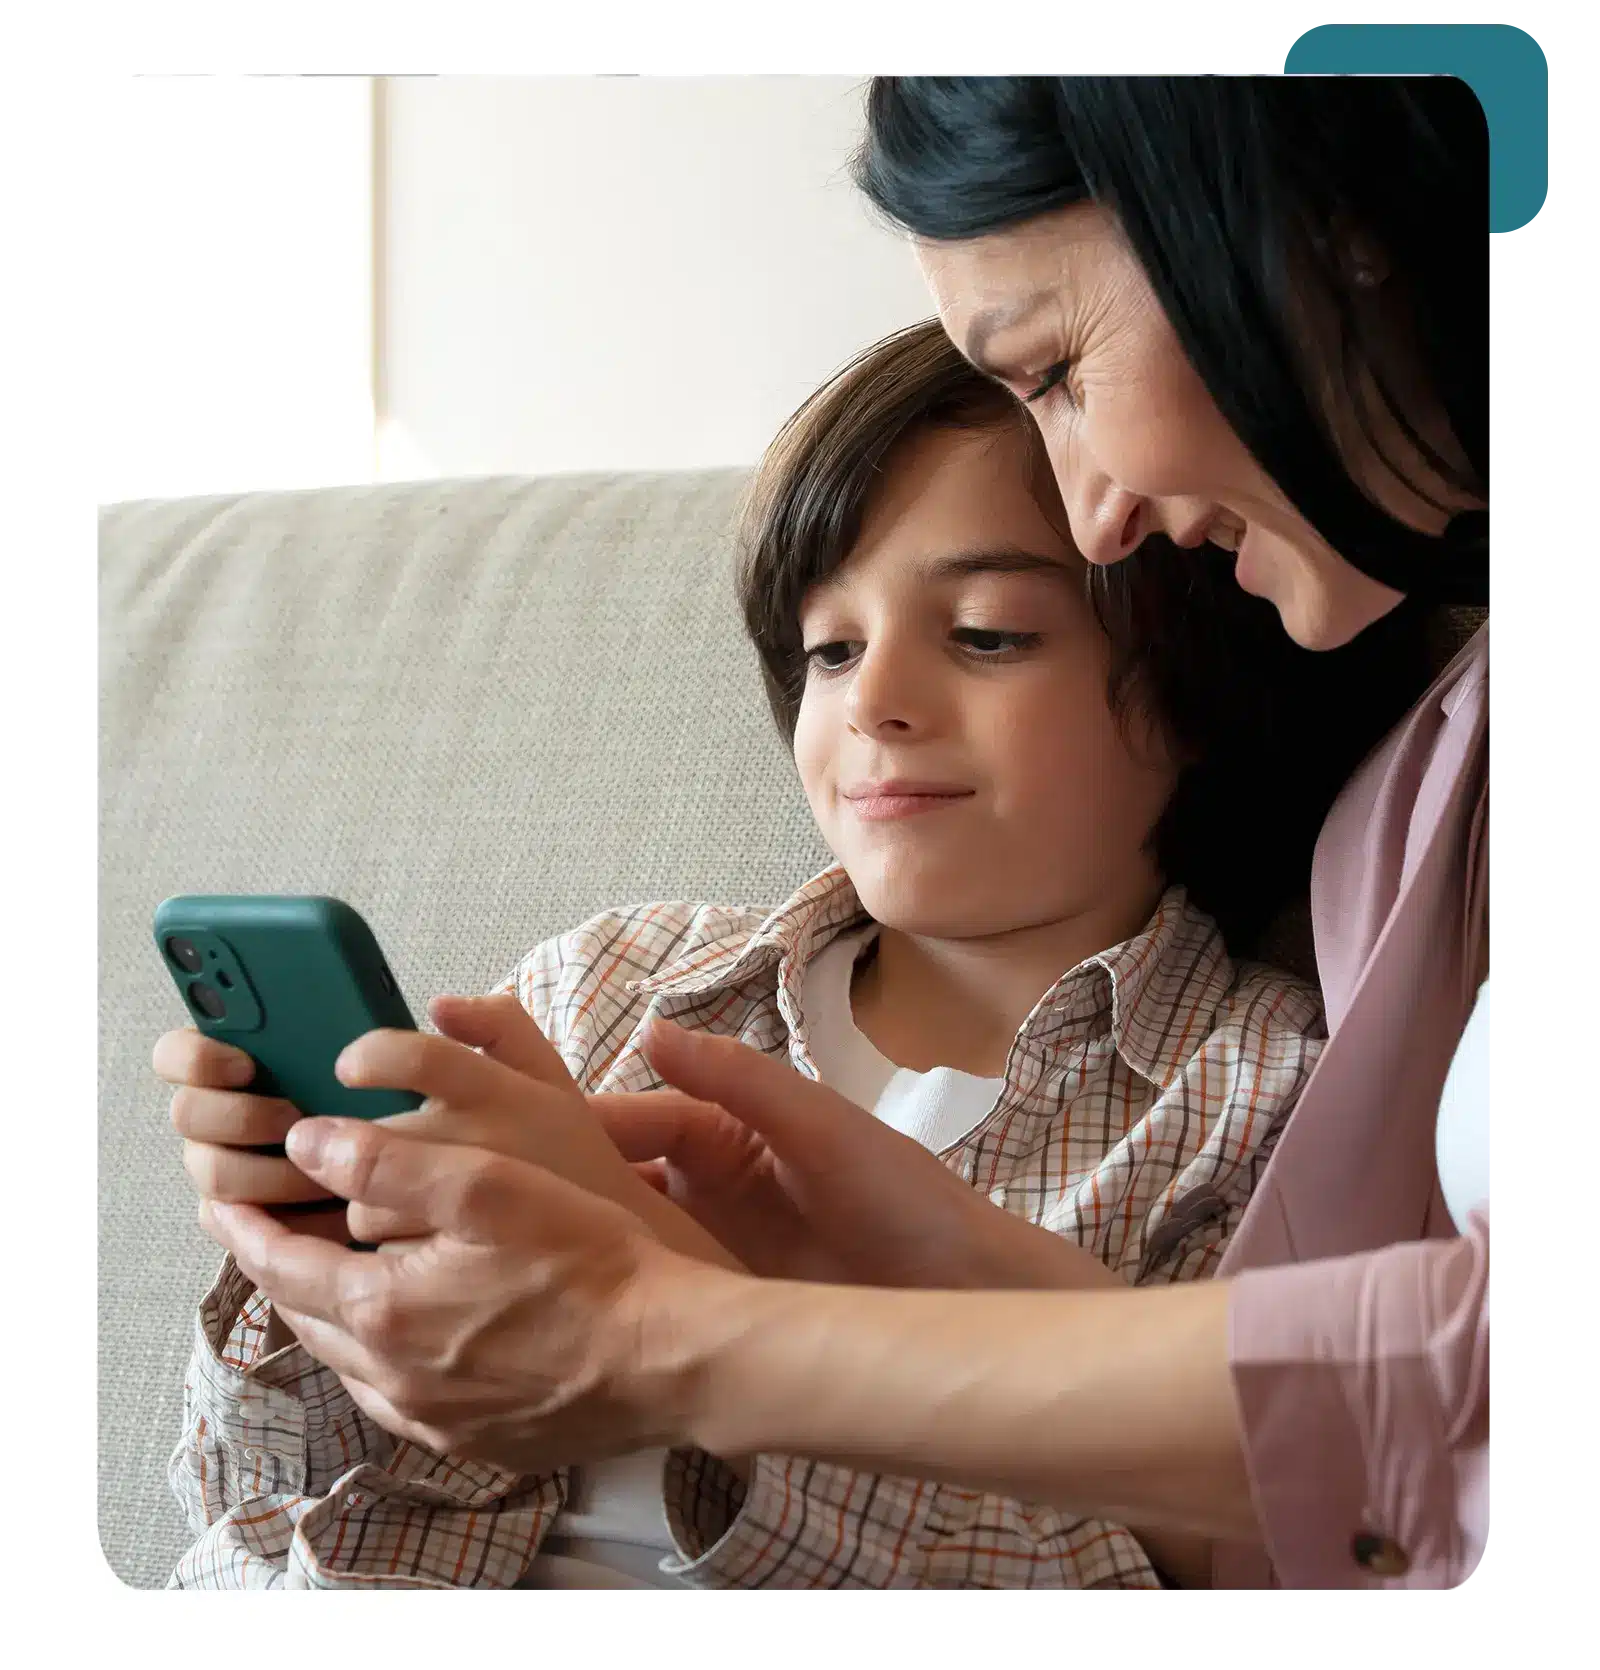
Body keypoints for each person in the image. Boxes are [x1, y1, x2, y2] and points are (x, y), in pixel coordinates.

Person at [183, 75, 1494, 1592]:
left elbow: (1299, 1530)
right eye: (825, 652)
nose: (1100, 511)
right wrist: (319, 1250)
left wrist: (684, 1335)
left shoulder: (1263, 1069)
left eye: (993, 632)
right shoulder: (623, 986)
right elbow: (280, 1521)